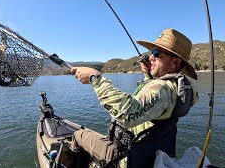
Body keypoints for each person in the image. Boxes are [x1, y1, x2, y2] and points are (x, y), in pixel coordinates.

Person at [70, 28, 199, 168]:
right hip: (150, 155)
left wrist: (95, 78)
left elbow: (127, 112)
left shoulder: (162, 89)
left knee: (78, 135)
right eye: (151, 53)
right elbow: (157, 104)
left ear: (174, 62)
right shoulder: (184, 89)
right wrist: (150, 75)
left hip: (124, 157)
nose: (151, 57)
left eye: (157, 53)